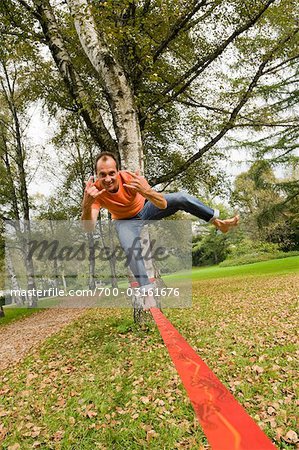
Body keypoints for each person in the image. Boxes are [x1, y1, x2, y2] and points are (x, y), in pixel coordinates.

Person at [81, 152, 239, 309]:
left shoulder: (129, 179)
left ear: (118, 171)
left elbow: (162, 205)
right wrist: (87, 205)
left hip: (146, 208)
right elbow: (88, 227)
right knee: (130, 249)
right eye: (102, 175)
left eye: (111, 173)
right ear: (97, 176)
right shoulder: (95, 193)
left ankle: (218, 222)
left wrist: (146, 191)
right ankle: (147, 294)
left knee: (181, 198)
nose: (108, 179)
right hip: (125, 222)